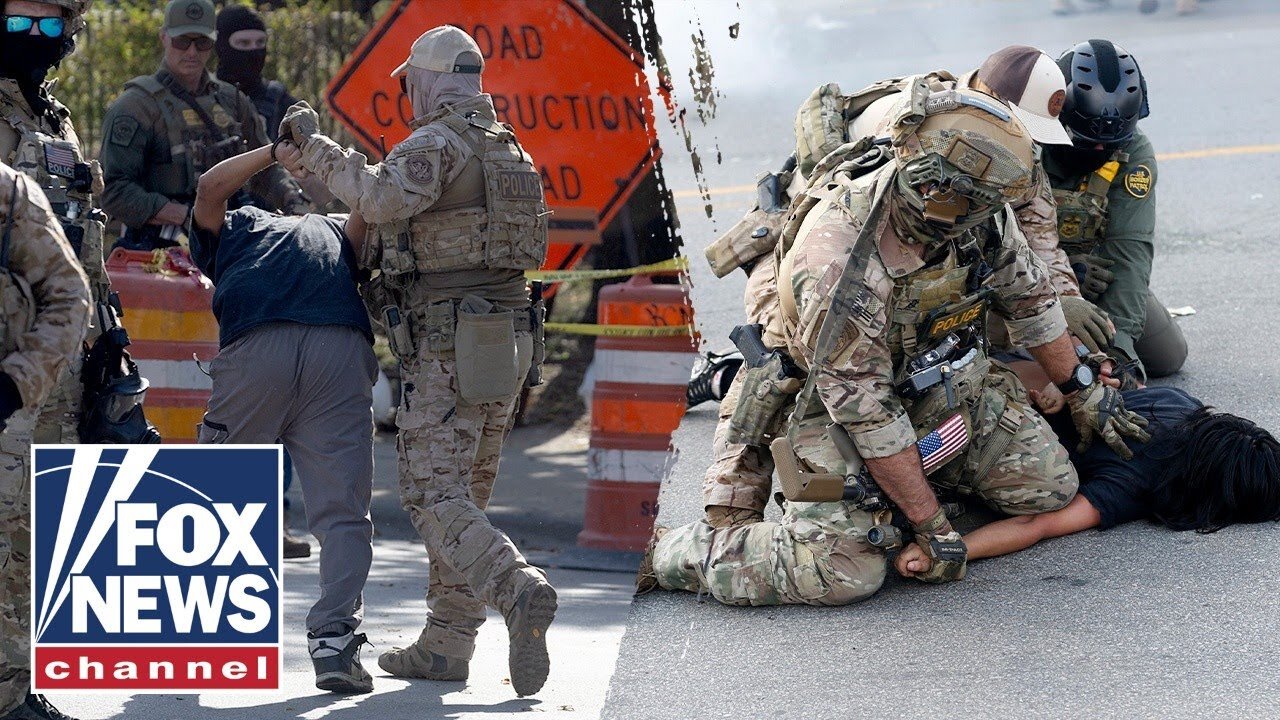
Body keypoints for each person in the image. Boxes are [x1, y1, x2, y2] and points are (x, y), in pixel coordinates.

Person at [642, 86, 1151, 607]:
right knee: (845, 572)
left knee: (1048, 487)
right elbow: (871, 417)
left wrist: (1081, 387)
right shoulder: (841, 264)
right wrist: (932, 527)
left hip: (932, 382)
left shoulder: (982, 217)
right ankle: (661, 552)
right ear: (942, 194)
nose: (998, 212)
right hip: (829, 408)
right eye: (985, 203)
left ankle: (903, 490)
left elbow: (1033, 300)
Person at [696, 46, 1112, 531]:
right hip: (807, 254)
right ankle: (731, 502)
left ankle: (907, 467)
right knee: (783, 363)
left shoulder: (999, 149)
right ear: (991, 99)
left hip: (904, 253)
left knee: (918, 346)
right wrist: (928, 521)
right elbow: (848, 221)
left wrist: (1074, 344)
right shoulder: (916, 127)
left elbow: (1034, 247)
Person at [277, 25, 557, 696]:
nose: (407, 97)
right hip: (506, 342)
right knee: (464, 495)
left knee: (433, 496)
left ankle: (515, 586)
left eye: (410, 84)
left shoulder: (438, 142)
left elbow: (377, 197)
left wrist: (314, 148)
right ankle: (446, 644)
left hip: (450, 345)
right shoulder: (508, 146)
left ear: (430, 81)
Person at [189, 142, 378, 694]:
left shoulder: (243, 229)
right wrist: (309, 157)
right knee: (343, 511)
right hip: (337, 352)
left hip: (260, 352)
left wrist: (289, 153)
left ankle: (210, 634)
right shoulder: (291, 227)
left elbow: (209, 188)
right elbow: (367, 204)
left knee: (218, 493)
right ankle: (335, 641)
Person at [896, 383, 1280, 577]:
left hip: (982, 392)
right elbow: (1038, 523)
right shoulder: (1138, 481)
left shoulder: (1181, 403)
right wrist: (949, 549)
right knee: (1050, 492)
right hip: (974, 446)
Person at [99, 0, 306, 252]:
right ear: (164, 37)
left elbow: (267, 165)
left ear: (214, 41)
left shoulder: (232, 100)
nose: (192, 52)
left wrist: (293, 201)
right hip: (160, 248)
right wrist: (186, 215)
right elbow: (114, 191)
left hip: (232, 243)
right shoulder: (136, 106)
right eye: (182, 41)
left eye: (202, 42)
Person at [0, 163, 91, 720]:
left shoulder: (7, 195)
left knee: (13, 553)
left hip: (5, 413)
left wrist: (15, 384)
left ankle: (11, 697)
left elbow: (70, 296)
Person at [1, 0, 113, 447]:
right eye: (17, 23)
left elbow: (82, 236)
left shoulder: (55, 121)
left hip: (63, 354)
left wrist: (106, 335)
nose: (33, 35)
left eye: (47, 25)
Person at [1045, 39, 1187, 381]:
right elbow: (995, 243)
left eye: (1107, 145)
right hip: (1022, 278)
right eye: (1086, 141)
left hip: (1093, 273)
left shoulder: (1134, 150)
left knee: (1168, 356)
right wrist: (1059, 277)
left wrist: (1119, 350)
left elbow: (1130, 247)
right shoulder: (1026, 140)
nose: (1098, 150)